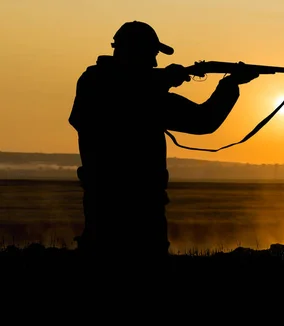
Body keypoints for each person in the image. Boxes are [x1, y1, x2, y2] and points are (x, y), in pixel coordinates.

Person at [68, 21, 259, 271]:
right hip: (137, 201)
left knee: (101, 256)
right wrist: (229, 85)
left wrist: (166, 81)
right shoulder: (124, 89)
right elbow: (205, 121)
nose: (155, 63)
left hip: (104, 196)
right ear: (136, 52)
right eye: (151, 56)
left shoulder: (96, 82)